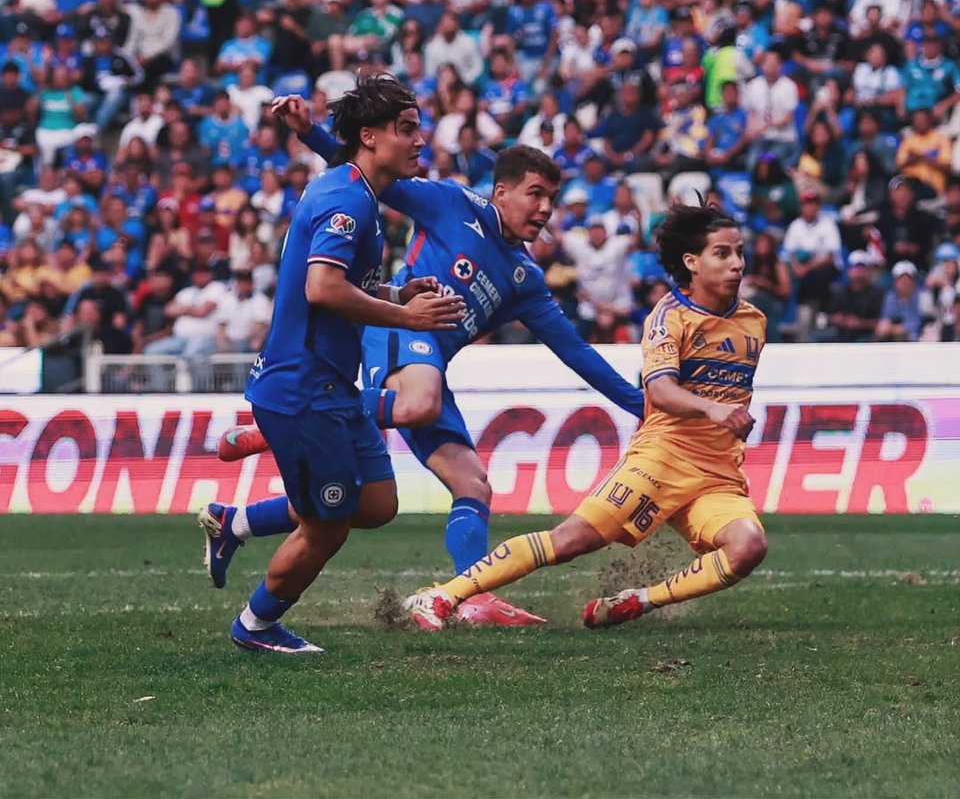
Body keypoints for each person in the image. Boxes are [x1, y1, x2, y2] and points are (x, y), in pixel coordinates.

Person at [211, 93, 647, 627]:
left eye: (551, 199)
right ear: (501, 191)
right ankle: (284, 430)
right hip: (392, 333)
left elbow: (576, 352)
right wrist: (308, 133)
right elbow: (373, 173)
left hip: (427, 359)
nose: (544, 209)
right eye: (535, 194)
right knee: (417, 404)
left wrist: (640, 404)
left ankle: (470, 594)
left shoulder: (525, 280)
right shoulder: (452, 204)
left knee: (465, 486)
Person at [402, 198, 767, 631]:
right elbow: (660, 391)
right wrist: (713, 408)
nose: (736, 264)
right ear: (691, 262)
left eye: (739, 252)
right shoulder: (669, 317)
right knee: (571, 541)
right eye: (722, 253)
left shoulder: (754, 322)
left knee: (748, 547)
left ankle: (638, 601)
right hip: (661, 460)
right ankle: (442, 595)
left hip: (718, 473)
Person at [204, 75, 466, 654]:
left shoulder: (358, 194)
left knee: (376, 503)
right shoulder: (346, 200)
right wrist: (408, 319)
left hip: (331, 385)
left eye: (418, 127)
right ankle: (257, 625)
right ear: (368, 138)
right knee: (327, 525)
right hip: (303, 388)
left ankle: (235, 522)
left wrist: (398, 294)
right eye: (406, 129)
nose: (419, 140)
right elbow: (322, 288)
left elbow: (345, 285)